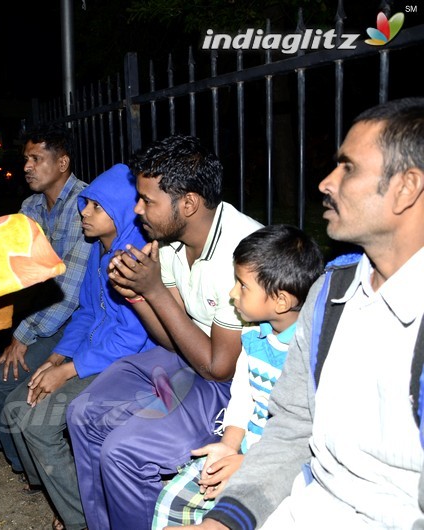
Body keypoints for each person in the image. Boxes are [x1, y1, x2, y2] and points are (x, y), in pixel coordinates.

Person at [182, 98, 424, 529]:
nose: (326, 183)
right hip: (309, 502)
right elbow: (294, 427)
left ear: (407, 187)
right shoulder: (332, 291)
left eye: (348, 168)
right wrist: (223, 522)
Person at [66, 134, 263, 530]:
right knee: (81, 413)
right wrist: (140, 296)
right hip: (184, 357)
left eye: (147, 201)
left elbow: (219, 367)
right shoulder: (171, 241)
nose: (137, 211)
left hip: (230, 382)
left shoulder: (239, 252)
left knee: (124, 450)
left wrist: (152, 290)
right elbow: (167, 337)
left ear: (188, 203)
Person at [2, 163, 156, 530]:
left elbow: (130, 338)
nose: (84, 212)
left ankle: (83, 518)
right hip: (92, 354)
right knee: (13, 406)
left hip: (127, 364)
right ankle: (59, 491)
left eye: (96, 207)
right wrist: (56, 357)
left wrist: (68, 370)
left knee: (37, 423)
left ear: (119, 211)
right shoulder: (99, 251)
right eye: (85, 204)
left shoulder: (134, 259)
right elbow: (87, 312)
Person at [151, 224, 323, 528]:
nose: (232, 293)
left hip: (286, 470)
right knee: (172, 499)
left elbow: (305, 439)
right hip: (243, 450)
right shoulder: (255, 339)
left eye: (242, 286)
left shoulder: (309, 354)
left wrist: (246, 465)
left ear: (281, 301)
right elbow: (242, 397)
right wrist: (229, 445)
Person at [0, 126, 93, 486]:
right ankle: (18, 459)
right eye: (26, 158)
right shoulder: (32, 206)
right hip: (39, 311)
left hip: (73, 320)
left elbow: (69, 292)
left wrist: (22, 335)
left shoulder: (84, 206)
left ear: (63, 163)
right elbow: (12, 263)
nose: (27, 166)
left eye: (36, 158)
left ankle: (37, 475)